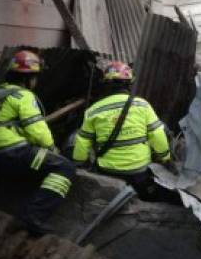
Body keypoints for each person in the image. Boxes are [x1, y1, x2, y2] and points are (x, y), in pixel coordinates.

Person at [0, 50, 75, 234]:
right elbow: (39, 133)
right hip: (14, 152)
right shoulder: (23, 96)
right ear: (30, 79)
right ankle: (34, 216)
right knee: (64, 168)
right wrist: (52, 149)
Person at [72, 61, 171, 198]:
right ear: (129, 83)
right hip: (139, 171)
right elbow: (157, 134)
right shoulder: (142, 105)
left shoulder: (93, 111)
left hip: (107, 172)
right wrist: (164, 158)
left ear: (106, 84)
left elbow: (82, 143)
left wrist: (80, 164)